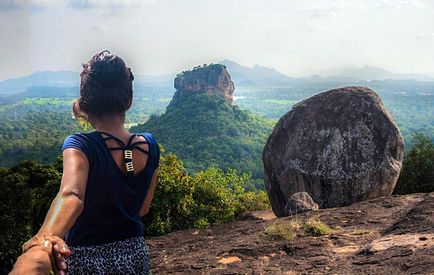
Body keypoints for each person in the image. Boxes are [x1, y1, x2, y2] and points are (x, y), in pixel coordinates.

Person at [19, 50, 160, 274]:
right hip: (135, 256)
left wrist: (44, 237)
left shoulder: (80, 145)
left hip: (86, 259)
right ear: (129, 100)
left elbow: (71, 195)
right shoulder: (150, 146)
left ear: (85, 104)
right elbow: (142, 209)